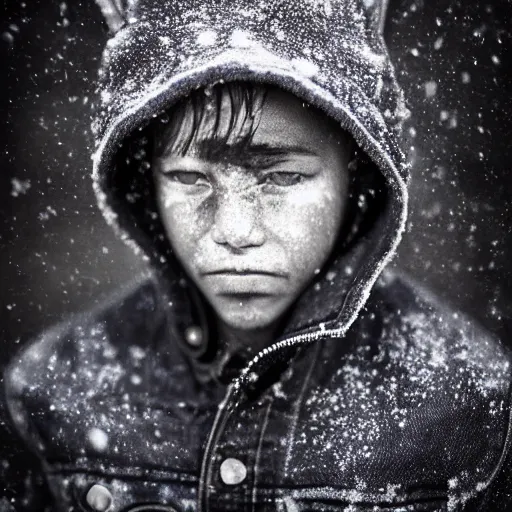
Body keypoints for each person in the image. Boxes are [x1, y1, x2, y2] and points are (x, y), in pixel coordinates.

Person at [3, 0, 512, 510]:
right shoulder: (56, 389)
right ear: (144, 182)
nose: (235, 231)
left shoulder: (468, 406)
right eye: (189, 178)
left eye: (283, 177)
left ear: (359, 174)